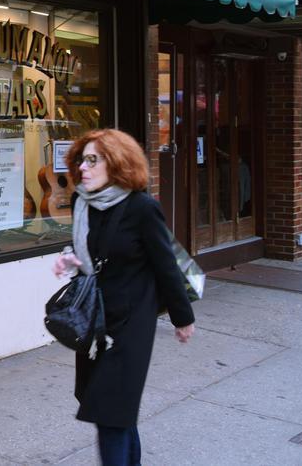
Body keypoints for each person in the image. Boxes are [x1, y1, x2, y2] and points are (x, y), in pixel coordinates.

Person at [52, 128, 195, 466]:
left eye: (92, 161)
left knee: (110, 411)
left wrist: (183, 317)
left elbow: (167, 266)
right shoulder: (81, 202)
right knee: (113, 408)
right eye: (80, 161)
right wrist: (69, 257)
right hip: (94, 320)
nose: (83, 169)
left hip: (131, 322)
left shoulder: (142, 208)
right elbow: (88, 248)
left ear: (116, 164)